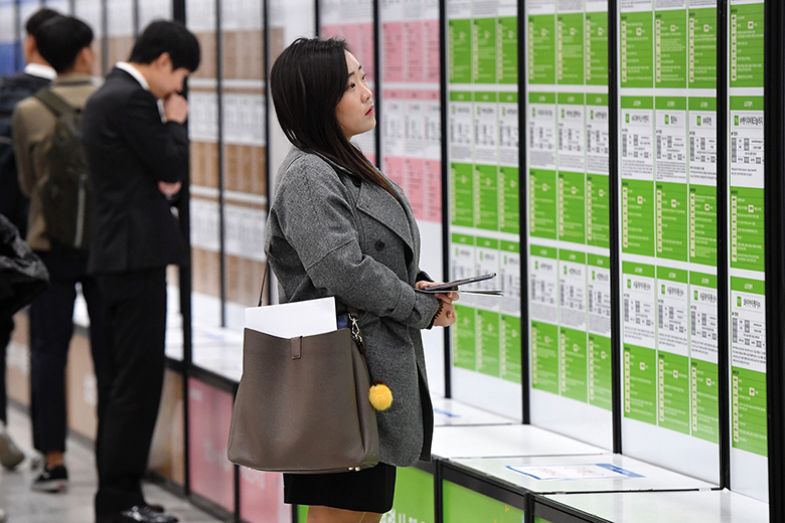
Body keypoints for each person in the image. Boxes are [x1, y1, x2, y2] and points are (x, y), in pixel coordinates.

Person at [266, 37, 457, 522]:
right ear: (317, 101)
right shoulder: (310, 174)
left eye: (363, 78)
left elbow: (369, 257)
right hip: (336, 378)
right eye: (350, 85)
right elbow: (340, 268)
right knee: (344, 515)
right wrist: (419, 309)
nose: (366, 92)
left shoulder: (342, 164)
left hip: (367, 371)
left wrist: (419, 286)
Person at [81, 20, 199, 523]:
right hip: (135, 260)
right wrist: (175, 121)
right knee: (137, 379)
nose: (178, 90)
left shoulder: (107, 94)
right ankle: (122, 498)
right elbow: (171, 166)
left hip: (117, 257)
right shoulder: (130, 99)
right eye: (181, 77)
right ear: (164, 60)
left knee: (120, 380)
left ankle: (118, 496)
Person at [12, 14, 103, 494]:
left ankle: (53, 460)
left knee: (49, 352)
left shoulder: (29, 109)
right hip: (105, 247)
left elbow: (28, 185)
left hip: (49, 247)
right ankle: (114, 460)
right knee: (111, 353)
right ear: (85, 52)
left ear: (40, 51)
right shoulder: (109, 100)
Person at [0, 6, 60, 473]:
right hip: (40, 245)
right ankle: (44, 453)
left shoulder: (6, 94)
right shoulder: (75, 103)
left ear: (29, 42)